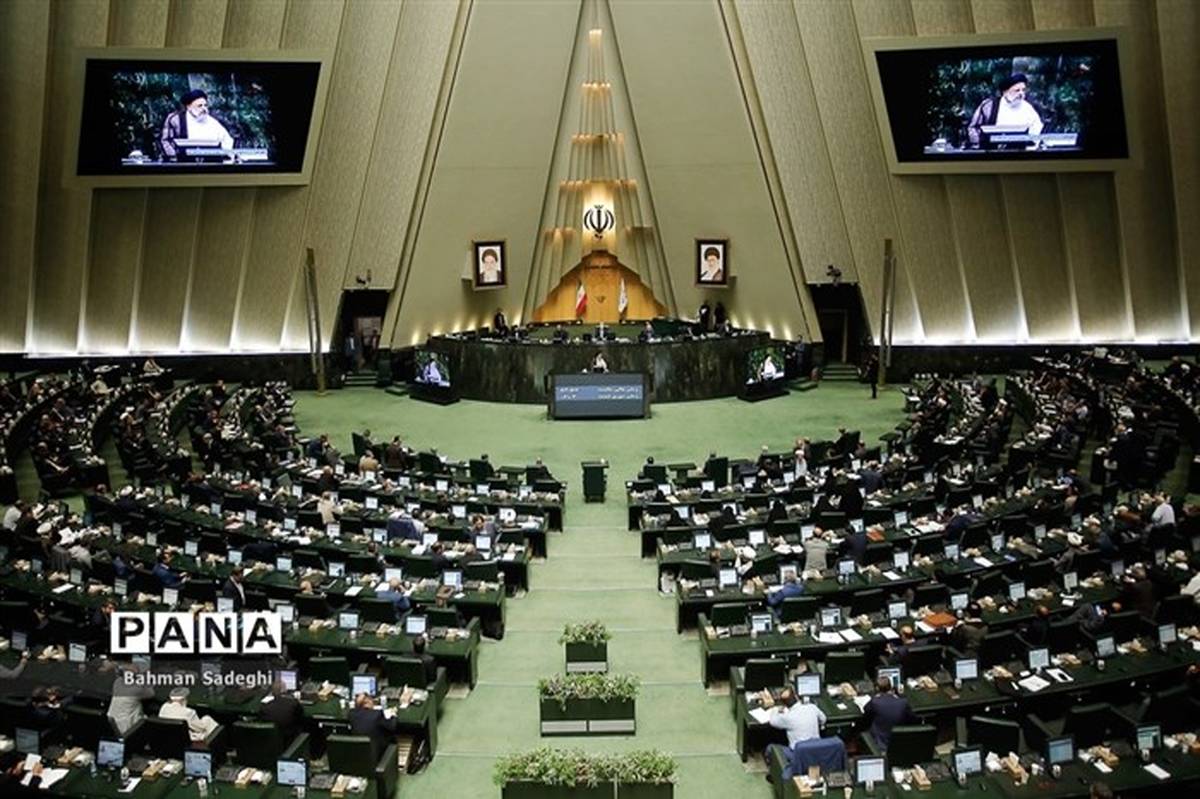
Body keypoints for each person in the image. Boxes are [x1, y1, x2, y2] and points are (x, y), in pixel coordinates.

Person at [967, 73, 1043, 149]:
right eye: (1017, 90)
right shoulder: (989, 106)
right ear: (1005, 92)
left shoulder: (1028, 108)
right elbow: (974, 128)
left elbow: (1037, 131)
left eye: (1023, 90)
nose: (1021, 94)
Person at [160, 89, 234, 160]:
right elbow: (166, 142)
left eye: (205, 105)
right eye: (200, 106)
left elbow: (227, 141)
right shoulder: (176, 120)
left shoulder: (213, 121)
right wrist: (174, 159)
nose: (204, 109)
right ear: (189, 107)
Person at [763, 688, 826, 759]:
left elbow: (772, 721)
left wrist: (774, 709)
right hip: (816, 750)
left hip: (798, 755)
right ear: (796, 696)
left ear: (784, 704)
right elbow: (823, 719)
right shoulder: (812, 707)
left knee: (770, 748)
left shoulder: (787, 717)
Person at [862, 675, 917, 750]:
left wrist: (875, 697)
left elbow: (865, 710)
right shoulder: (903, 702)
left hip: (880, 743)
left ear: (877, 688)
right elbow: (913, 719)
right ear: (891, 687)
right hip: (899, 741)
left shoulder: (875, 702)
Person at [348, 693, 399, 761]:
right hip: (377, 755)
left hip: (358, 754)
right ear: (368, 702)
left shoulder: (351, 714)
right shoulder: (377, 714)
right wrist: (393, 715)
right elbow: (392, 726)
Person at [107, 663, 152, 735]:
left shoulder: (117, 682)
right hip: (127, 729)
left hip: (112, 725)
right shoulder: (137, 688)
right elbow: (151, 694)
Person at [259, 678, 305, 743]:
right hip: (289, 742)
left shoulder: (264, 708)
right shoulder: (293, 704)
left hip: (269, 742)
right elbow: (301, 717)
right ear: (285, 690)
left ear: (272, 693)